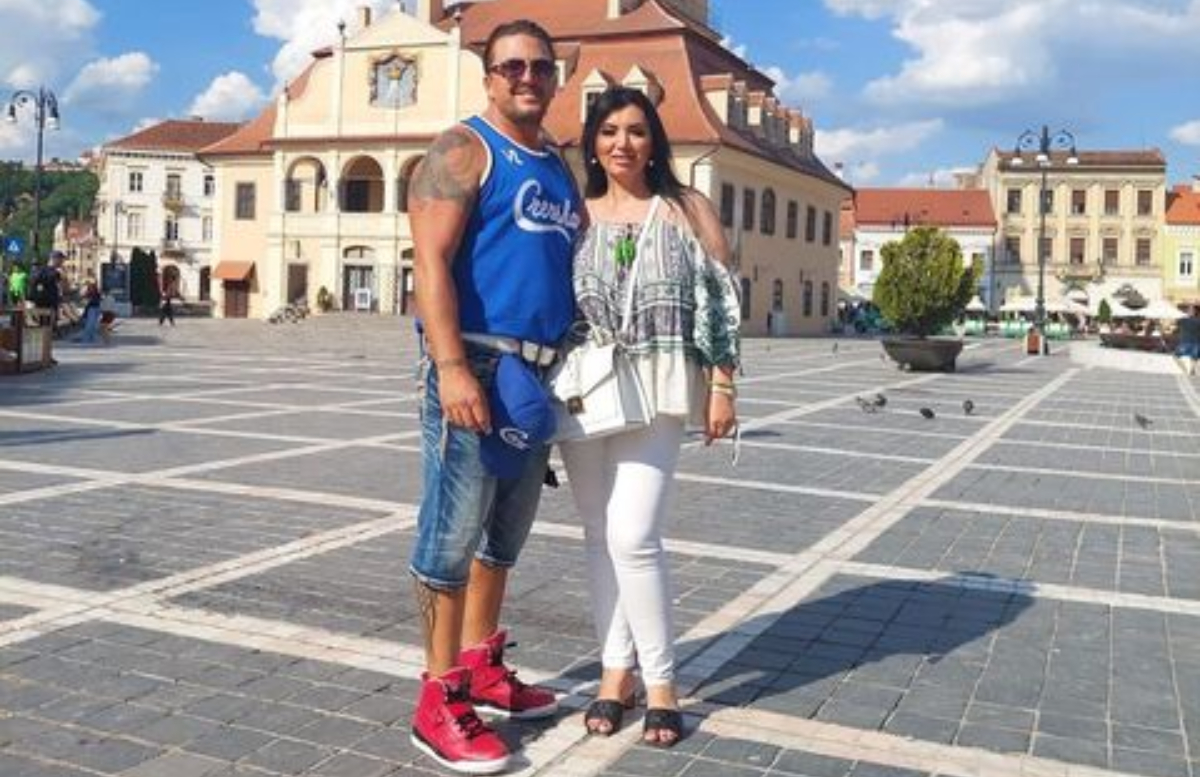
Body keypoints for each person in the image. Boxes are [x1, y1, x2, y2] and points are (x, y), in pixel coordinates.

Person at [406, 19, 582, 775]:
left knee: (501, 539)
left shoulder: (558, 164)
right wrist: (450, 367)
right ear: (489, 77)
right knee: (448, 541)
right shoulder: (463, 149)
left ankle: (480, 666)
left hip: (536, 377)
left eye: (541, 66)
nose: (528, 77)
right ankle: (438, 697)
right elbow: (430, 262)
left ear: (555, 76)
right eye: (512, 66)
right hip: (474, 366)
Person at [558, 87, 741, 748]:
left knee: (633, 535)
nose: (623, 143)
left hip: (661, 382)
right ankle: (616, 673)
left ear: (654, 141)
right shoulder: (574, 214)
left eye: (636, 131)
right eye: (609, 130)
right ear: (593, 142)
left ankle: (661, 683)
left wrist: (723, 383)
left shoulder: (687, 208)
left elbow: (721, 297)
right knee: (597, 533)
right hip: (586, 387)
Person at [1175, 304, 1200, 376]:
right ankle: (1191, 372)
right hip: (1195, 343)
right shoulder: (1197, 320)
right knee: (1194, 359)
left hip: (1187, 342)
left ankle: (1186, 371)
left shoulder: (1182, 319)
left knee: (1176, 356)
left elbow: (1176, 325)